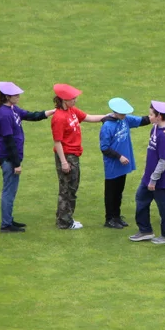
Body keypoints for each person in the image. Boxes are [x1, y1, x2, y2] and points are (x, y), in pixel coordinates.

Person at [0, 81, 53, 234]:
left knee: (11, 191)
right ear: (7, 96)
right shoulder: (4, 114)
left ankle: (9, 219)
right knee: (8, 191)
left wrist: (51, 112)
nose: (18, 97)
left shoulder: (12, 109)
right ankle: (6, 225)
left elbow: (31, 116)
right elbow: (9, 141)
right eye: (16, 95)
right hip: (9, 158)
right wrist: (17, 163)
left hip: (11, 157)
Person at [51, 83, 110, 230]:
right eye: (72, 98)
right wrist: (64, 162)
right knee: (67, 189)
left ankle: (64, 217)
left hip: (74, 155)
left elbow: (88, 117)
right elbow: (57, 142)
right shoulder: (58, 118)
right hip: (67, 156)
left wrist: (107, 117)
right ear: (64, 100)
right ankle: (65, 222)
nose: (75, 100)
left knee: (71, 188)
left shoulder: (71, 111)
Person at [129, 101, 165, 244]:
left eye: (151, 114)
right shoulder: (155, 129)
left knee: (163, 206)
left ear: (159, 116)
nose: (149, 117)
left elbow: (163, 161)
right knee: (140, 198)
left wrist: (153, 179)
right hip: (149, 176)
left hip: (159, 179)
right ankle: (145, 230)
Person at [99, 97, 149, 229]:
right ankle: (109, 219)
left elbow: (142, 120)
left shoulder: (125, 119)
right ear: (115, 112)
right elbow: (104, 148)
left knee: (119, 191)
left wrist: (157, 115)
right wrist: (119, 156)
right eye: (122, 113)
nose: (124, 115)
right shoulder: (107, 126)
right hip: (113, 166)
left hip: (123, 165)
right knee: (111, 193)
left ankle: (117, 216)